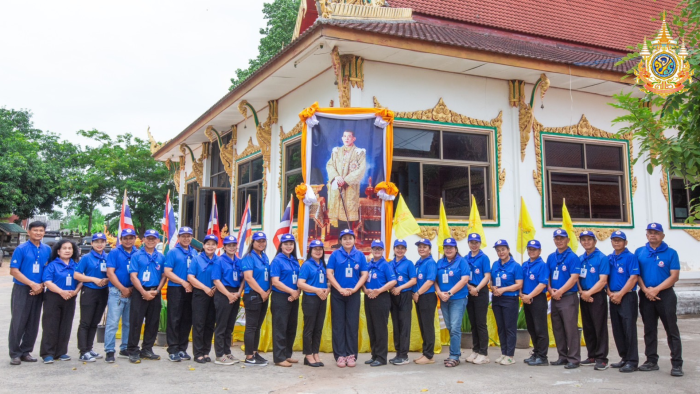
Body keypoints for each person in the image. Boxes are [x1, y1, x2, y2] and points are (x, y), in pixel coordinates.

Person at [635, 223, 683, 377]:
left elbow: (674, 276)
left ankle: (676, 364)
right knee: (649, 329)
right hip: (646, 295)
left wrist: (656, 290)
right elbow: (637, 274)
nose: (653, 235)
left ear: (662, 235)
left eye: (656, 233)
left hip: (665, 295)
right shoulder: (640, 252)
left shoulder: (671, 253)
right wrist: (645, 289)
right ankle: (651, 361)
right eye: (650, 232)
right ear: (646, 234)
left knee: (671, 330)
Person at [8, 221, 51, 365]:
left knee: (33, 322)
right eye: (35, 230)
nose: (38, 233)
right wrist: (32, 284)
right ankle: (15, 353)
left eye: (41, 230)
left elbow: (49, 269)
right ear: (29, 232)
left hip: (39, 289)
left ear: (44, 232)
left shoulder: (47, 249)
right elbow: (14, 271)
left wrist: (41, 285)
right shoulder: (21, 249)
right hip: (22, 289)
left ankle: (26, 351)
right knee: (18, 321)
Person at [326, 228, 368, 368]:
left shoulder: (360, 255)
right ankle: (340, 355)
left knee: (352, 324)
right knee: (338, 325)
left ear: (354, 240)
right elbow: (329, 273)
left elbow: (364, 274)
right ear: (340, 241)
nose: (347, 241)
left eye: (350, 238)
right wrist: (339, 289)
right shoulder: (335, 255)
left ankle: (351, 355)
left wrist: (355, 289)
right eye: (344, 238)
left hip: (354, 294)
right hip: (338, 294)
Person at [127, 229, 166, 364]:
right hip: (140, 292)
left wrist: (157, 291)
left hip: (155, 291)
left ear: (157, 241)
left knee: (153, 322)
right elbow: (133, 276)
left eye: (153, 239)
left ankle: (147, 349)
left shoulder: (161, 257)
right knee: (136, 322)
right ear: (143, 240)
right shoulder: (136, 255)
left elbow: (163, 276)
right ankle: (132, 350)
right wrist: (143, 292)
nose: (150, 241)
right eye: (148, 238)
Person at [40, 240, 82, 363]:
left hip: (70, 297)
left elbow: (81, 280)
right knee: (50, 325)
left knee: (66, 325)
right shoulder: (52, 265)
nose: (67, 250)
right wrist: (61, 292)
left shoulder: (76, 265)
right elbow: (47, 281)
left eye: (70, 248)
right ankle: (47, 353)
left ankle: (61, 352)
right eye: (64, 248)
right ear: (58, 251)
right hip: (54, 297)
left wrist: (75, 292)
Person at [547, 229, 582, 369]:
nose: (559, 241)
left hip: (568, 297)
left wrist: (560, 291)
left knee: (570, 329)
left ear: (568, 240)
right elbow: (547, 276)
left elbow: (574, 278)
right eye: (556, 238)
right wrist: (550, 290)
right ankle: (562, 356)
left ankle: (573, 358)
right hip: (555, 297)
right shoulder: (551, 257)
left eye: (562, 238)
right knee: (558, 328)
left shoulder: (573, 257)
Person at [577, 230, 611, 370]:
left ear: (595, 241)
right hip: (583, 295)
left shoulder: (602, 258)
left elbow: (603, 281)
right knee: (588, 326)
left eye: (589, 239)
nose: (586, 242)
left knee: (599, 327)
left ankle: (601, 358)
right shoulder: (580, 258)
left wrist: (589, 293)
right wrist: (582, 292)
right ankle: (591, 355)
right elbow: (576, 278)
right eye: (583, 240)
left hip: (596, 296)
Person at [74, 233, 110, 363]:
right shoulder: (86, 258)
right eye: (96, 242)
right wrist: (94, 279)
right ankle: (83, 351)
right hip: (89, 291)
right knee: (85, 322)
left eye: (102, 241)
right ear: (92, 243)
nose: (99, 244)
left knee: (95, 322)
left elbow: (112, 273)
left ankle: (89, 348)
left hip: (103, 292)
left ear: (105, 243)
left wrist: (106, 279)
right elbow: (77, 275)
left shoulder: (108, 257)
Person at [607, 231, 640, 373]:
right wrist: (609, 293)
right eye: (614, 240)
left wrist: (620, 294)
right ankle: (624, 357)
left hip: (627, 297)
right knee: (617, 328)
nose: (616, 243)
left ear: (625, 242)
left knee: (629, 328)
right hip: (613, 296)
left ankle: (632, 361)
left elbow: (633, 278)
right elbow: (605, 278)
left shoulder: (630, 257)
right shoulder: (609, 258)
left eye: (619, 240)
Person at [435, 238, 470, 368]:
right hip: (444, 299)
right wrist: (439, 293)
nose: (448, 249)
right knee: (449, 326)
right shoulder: (440, 262)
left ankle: (455, 356)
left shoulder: (462, 262)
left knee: (455, 327)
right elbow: (435, 280)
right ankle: (454, 353)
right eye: (446, 247)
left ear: (456, 249)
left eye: (451, 247)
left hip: (458, 299)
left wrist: (449, 293)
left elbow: (464, 279)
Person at [164, 226, 197, 362]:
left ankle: (182, 348)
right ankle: (173, 349)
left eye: (188, 236)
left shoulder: (194, 252)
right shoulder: (173, 252)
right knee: (174, 319)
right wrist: (184, 282)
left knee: (187, 319)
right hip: (176, 289)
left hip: (191, 290)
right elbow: (167, 272)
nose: (186, 238)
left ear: (191, 238)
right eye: (183, 236)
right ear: (178, 238)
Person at [104, 228, 137, 363]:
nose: (128, 240)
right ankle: (110, 350)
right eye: (125, 238)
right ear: (121, 239)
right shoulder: (114, 252)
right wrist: (122, 288)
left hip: (133, 292)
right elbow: (110, 273)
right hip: (117, 292)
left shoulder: (138, 253)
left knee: (129, 323)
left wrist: (131, 289)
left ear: (135, 239)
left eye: (131, 238)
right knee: (112, 322)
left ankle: (125, 348)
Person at [362, 240, 397, 367]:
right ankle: (374, 355)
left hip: (381, 298)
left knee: (380, 328)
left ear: (383, 251)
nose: (377, 251)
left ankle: (382, 357)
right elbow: (363, 281)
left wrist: (379, 290)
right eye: (375, 249)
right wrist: (365, 290)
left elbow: (393, 281)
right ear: (371, 250)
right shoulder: (368, 264)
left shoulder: (386, 265)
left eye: (379, 249)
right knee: (371, 328)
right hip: (369, 298)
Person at [490, 240, 523, 365]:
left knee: (509, 328)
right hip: (497, 299)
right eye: (498, 250)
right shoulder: (495, 265)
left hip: (510, 299)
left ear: (508, 250)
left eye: (503, 249)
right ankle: (503, 353)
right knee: (501, 327)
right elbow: (491, 281)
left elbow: (519, 284)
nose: (500, 252)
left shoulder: (515, 266)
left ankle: (510, 355)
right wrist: (493, 288)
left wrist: (504, 289)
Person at [211, 235, 243, 366]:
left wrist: (238, 293)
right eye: (229, 245)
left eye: (234, 245)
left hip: (236, 292)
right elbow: (216, 280)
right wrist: (229, 295)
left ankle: (227, 351)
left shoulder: (239, 261)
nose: (231, 247)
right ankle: (219, 355)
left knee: (230, 325)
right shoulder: (219, 261)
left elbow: (244, 279)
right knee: (221, 325)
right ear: (224, 247)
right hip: (224, 293)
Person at [270, 234, 301, 367]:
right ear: (281, 245)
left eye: (291, 244)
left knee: (291, 327)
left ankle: (287, 354)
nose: (289, 246)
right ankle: (279, 357)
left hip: (294, 297)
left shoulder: (294, 260)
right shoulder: (277, 260)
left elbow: (299, 280)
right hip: (281, 297)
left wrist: (297, 292)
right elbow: (275, 282)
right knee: (280, 327)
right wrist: (291, 291)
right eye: (286, 244)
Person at [241, 232, 272, 366]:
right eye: (258, 241)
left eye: (263, 241)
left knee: (258, 326)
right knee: (251, 326)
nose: (261, 243)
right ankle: (248, 356)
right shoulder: (249, 257)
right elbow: (248, 277)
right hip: (253, 295)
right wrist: (261, 292)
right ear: (252, 242)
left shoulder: (264, 257)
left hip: (264, 295)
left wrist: (268, 291)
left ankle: (254, 352)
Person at [325, 130, 367, 229]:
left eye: (349, 136)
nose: (347, 138)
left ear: (354, 139)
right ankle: (341, 242)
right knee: (339, 215)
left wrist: (346, 180)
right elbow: (329, 165)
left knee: (348, 215)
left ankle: (348, 241)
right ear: (342, 138)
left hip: (350, 187)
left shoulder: (359, 152)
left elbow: (362, 169)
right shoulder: (336, 152)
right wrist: (336, 177)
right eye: (344, 136)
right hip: (337, 185)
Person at [298, 240, 330, 367]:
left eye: (320, 249)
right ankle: (308, 354)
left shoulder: (323, 264)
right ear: (310, 251)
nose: (318, 251)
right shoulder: (306, 265)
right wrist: (316, 290)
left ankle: (315, 352)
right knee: (309, 328)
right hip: (310, 299)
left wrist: (327, 289)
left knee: (318, 328)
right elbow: (300, 283)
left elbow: (327, 281)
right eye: (315, 249)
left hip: (322, 299)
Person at [188, 234, 219, 364]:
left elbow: (222, 277)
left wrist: (215, 289)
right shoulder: (197, 259)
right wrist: (205, 288)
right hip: (200, 294)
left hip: (215, 294)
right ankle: (198, 353)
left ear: (216, 246)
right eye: (208, 244)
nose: (210, 246)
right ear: (204, 245)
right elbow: (190, 277)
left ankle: (206, 351)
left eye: (213, 244)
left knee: (210, 324)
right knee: (199, 324)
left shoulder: (219, 260)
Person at [520, 240, 549, 366]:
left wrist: (530, 296)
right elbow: (520, 280)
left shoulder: (542, 265)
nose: (532, 252)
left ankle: (543, 357)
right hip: (526, 299)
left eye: (534, 249)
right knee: (531, 328)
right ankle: (536, 352)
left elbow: (542, 284)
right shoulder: (525, 264)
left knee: (540, 328)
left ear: (540, 251)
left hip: (537, 299)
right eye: (530, 249)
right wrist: (522, 295)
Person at [464, 233, 491, 365]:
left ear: (480, 243)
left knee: (481, 323)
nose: (474, 245)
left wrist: (477, 289)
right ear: (468, 243)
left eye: (476, 242)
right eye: (471, 242)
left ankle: (483, 353)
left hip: (480, 291)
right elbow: (463, 275)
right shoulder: (465, 258)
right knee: (473, 323)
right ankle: (475, 349)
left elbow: (487, 276)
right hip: (469, 290)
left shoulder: (484, 258)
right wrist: (470, 288)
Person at [389, 239, 416, 366]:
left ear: (405, 250)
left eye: (402, 248)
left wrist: (400, 288)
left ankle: (404, 355)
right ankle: (398, 353)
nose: (399, 250)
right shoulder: (389, 264)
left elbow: (413, 280)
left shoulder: (409, 263)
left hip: (404, 295)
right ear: (394, 249)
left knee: (404, 325)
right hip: (393, 295)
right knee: (396, 325)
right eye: (397, 248)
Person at [412, 239, 437, 365]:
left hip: (426, 297)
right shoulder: (419, 263)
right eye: (420, 247)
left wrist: (417, 293)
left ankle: (429, 355)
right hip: (419, 297)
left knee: (427, 326)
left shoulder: (430, 262)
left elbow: (430, 281)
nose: (421, 249)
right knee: (423, 325)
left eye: (424, 247)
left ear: (430, 249)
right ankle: (425, 352)